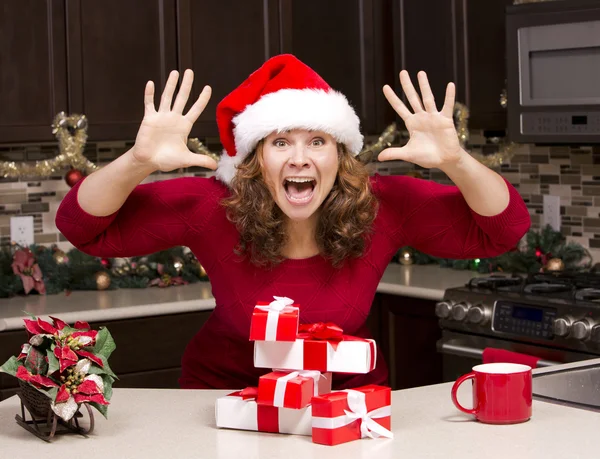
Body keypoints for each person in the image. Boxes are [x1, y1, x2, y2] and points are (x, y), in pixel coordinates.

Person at [55, 54, 531, 390]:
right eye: (281, 143)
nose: (300, 159)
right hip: (222, 399)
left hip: (346, 405)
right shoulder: (212, 206)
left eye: (317, 142)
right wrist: (138, 161)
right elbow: (81, 226)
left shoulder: (380, 205)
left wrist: (455, 160)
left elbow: (503, 229)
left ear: (340, 155)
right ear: (254, 160)